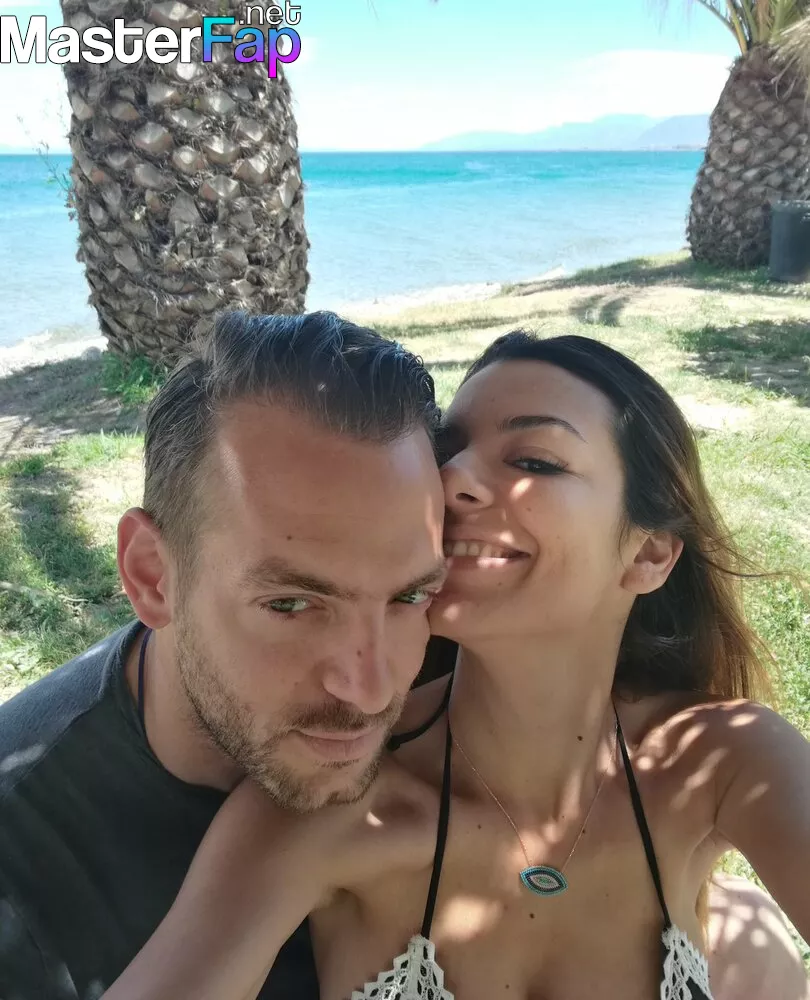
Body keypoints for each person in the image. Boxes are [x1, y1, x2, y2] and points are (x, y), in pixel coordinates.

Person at [101, 331, 810, 1000]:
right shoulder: (337, 803)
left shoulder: (722, 762)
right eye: (447, 450)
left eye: (534, 462)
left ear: (649, 553)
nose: (453, 479)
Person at [0, 311, 447, 999]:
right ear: (153, 576)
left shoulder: (464, 693)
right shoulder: (22, 865)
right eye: (291, 605)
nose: (369, 689)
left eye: (408, 596)